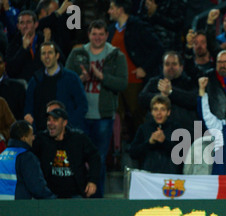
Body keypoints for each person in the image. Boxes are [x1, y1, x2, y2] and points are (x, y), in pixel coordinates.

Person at [65, 19, 128, 198]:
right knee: (77, 158)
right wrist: (80, 79)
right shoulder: (78, 53)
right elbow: (67, 80)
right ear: (89, 35)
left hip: (104, 116)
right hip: (80, 116)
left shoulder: (116, 55)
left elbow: (122, 84)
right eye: (94, 34)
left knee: (98, 159)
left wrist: (102, 77)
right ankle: (78, 194)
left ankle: (97, 197)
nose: (98, 37)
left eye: (101, 34)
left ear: (107, 35)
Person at [107, 0, 163, 144]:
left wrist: (145, 68)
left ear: (120, 10)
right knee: (117, 119)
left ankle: (145, 146)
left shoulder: (138, 26)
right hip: (116, 82)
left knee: (138, 116)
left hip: (134, 81)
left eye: (112, 8)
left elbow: (158, 47)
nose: (109, 11)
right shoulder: (111, 29)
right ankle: (118, 154)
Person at [32, 102, 101, 198]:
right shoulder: (41, 139)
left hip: (75, 194)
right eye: (48, 120)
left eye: (55, 120)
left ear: (64, 123)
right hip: (50, 196)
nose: (50, 123)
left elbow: (94, 157)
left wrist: (92, 181)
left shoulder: (78, 139)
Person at [24, 41, 88, 132]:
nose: (46, 56)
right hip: (42, 133)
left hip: (66, 133)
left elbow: (82, 105)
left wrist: (69, 125)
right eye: (43, 53)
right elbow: (28, 107)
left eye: (50, 53)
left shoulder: (71, 78)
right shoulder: (35, 80)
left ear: (57, 55)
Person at [138, 51, 198, 138]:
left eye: (174, 64)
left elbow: (194, 101)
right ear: (162, 67)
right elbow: (141, 99)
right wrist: (161, 96)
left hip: (184, 132)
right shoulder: (155, 82)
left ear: (181, 67)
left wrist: (171, 92)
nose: (170, 67)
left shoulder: (189, 83)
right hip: (157, 132)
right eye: (167, 64)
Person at [0, 120, 55, 200]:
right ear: (23, 138)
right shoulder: (26, 157)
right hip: (19, 208)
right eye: (31, 134)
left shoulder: (1, 156)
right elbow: (37, 188)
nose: (33, 137)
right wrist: (53, 199)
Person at [129, 94, 182, 174]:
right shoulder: (143, 128)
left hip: (170, 177)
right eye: (155, 109)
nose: (159, 113)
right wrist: (149, 142)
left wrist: (164, 141)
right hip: (148, 177)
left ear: (168, 112)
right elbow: (133, 153)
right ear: (151, 112)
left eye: (162, 109)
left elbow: (182, 155)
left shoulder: (176, 129)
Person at [5, 10, 45, 81]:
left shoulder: (44, 40)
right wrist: (23, 49)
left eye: (28, 22)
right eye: (22, 23)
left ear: (36, 24)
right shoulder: (13, 44)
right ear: (18, 26)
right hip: (22, 86)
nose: (25, 26)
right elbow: (10, 70)